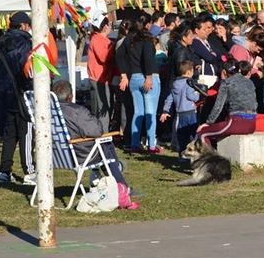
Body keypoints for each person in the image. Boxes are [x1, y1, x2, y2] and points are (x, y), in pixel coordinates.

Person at [51, 80, 136, 208]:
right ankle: (121, 185)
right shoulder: (76, 111)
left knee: (103, 146)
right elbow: (97, 131)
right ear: (70, 96)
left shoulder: (47, 112)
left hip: (57, 155)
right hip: (81, 155)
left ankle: (108, 172)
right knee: (106, 144)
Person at [0, 12, 35, 185]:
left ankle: (4, 172)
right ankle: (29, 171)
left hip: (4, 94)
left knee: (9, 134)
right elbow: (27, 69)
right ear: (23, 25)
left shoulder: (2, 41)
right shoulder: (24, 43)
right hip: (21, 93)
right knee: (26, 131)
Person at [198, 60, 257, 148]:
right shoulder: (250, 82)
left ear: (224, 72)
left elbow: (218, 107)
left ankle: (209, 157)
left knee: (202, 132)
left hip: (236, 123)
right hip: (252, 124)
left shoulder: (226, 83)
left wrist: (208, 123)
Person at [126, 17, 162, 153]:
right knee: (150, 113)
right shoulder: (146, 41)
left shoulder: (129, 41)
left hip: (134, 77)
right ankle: (151, 145)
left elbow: (121, 57)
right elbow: (148, 58)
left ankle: (135, 143)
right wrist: (149, 77)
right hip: (147, 77)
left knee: (138, 112)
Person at [160, 60, 200, 155]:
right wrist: (198, 94)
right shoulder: (189, 82)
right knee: (193, 134)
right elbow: (191, 96)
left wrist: (165, 110)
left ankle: (182, 154)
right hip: (190, 112)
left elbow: (169, 98)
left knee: (181, 135)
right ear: (189, 72)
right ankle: (194, 153)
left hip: (180, 114)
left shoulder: (175, 84)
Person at [87, 15, 116, 131]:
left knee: (105, 106)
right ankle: (103, 135)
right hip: (99, 78)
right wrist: (113, 49)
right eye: (109, 24)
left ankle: (103, 132)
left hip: (103, 78)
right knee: (104, 107)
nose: (110, 27)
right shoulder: (97, 39)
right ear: (105, 26)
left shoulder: (99, 39)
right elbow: (103, 57)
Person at [191, 14, 221, 79]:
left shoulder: (205, 41)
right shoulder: (196, 42)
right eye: (204, 29)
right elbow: (210, 58)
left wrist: (213, 55)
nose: (207, 31)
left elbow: (219, 53)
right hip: (204, 76)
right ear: (197, 30)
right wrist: (212, 55)